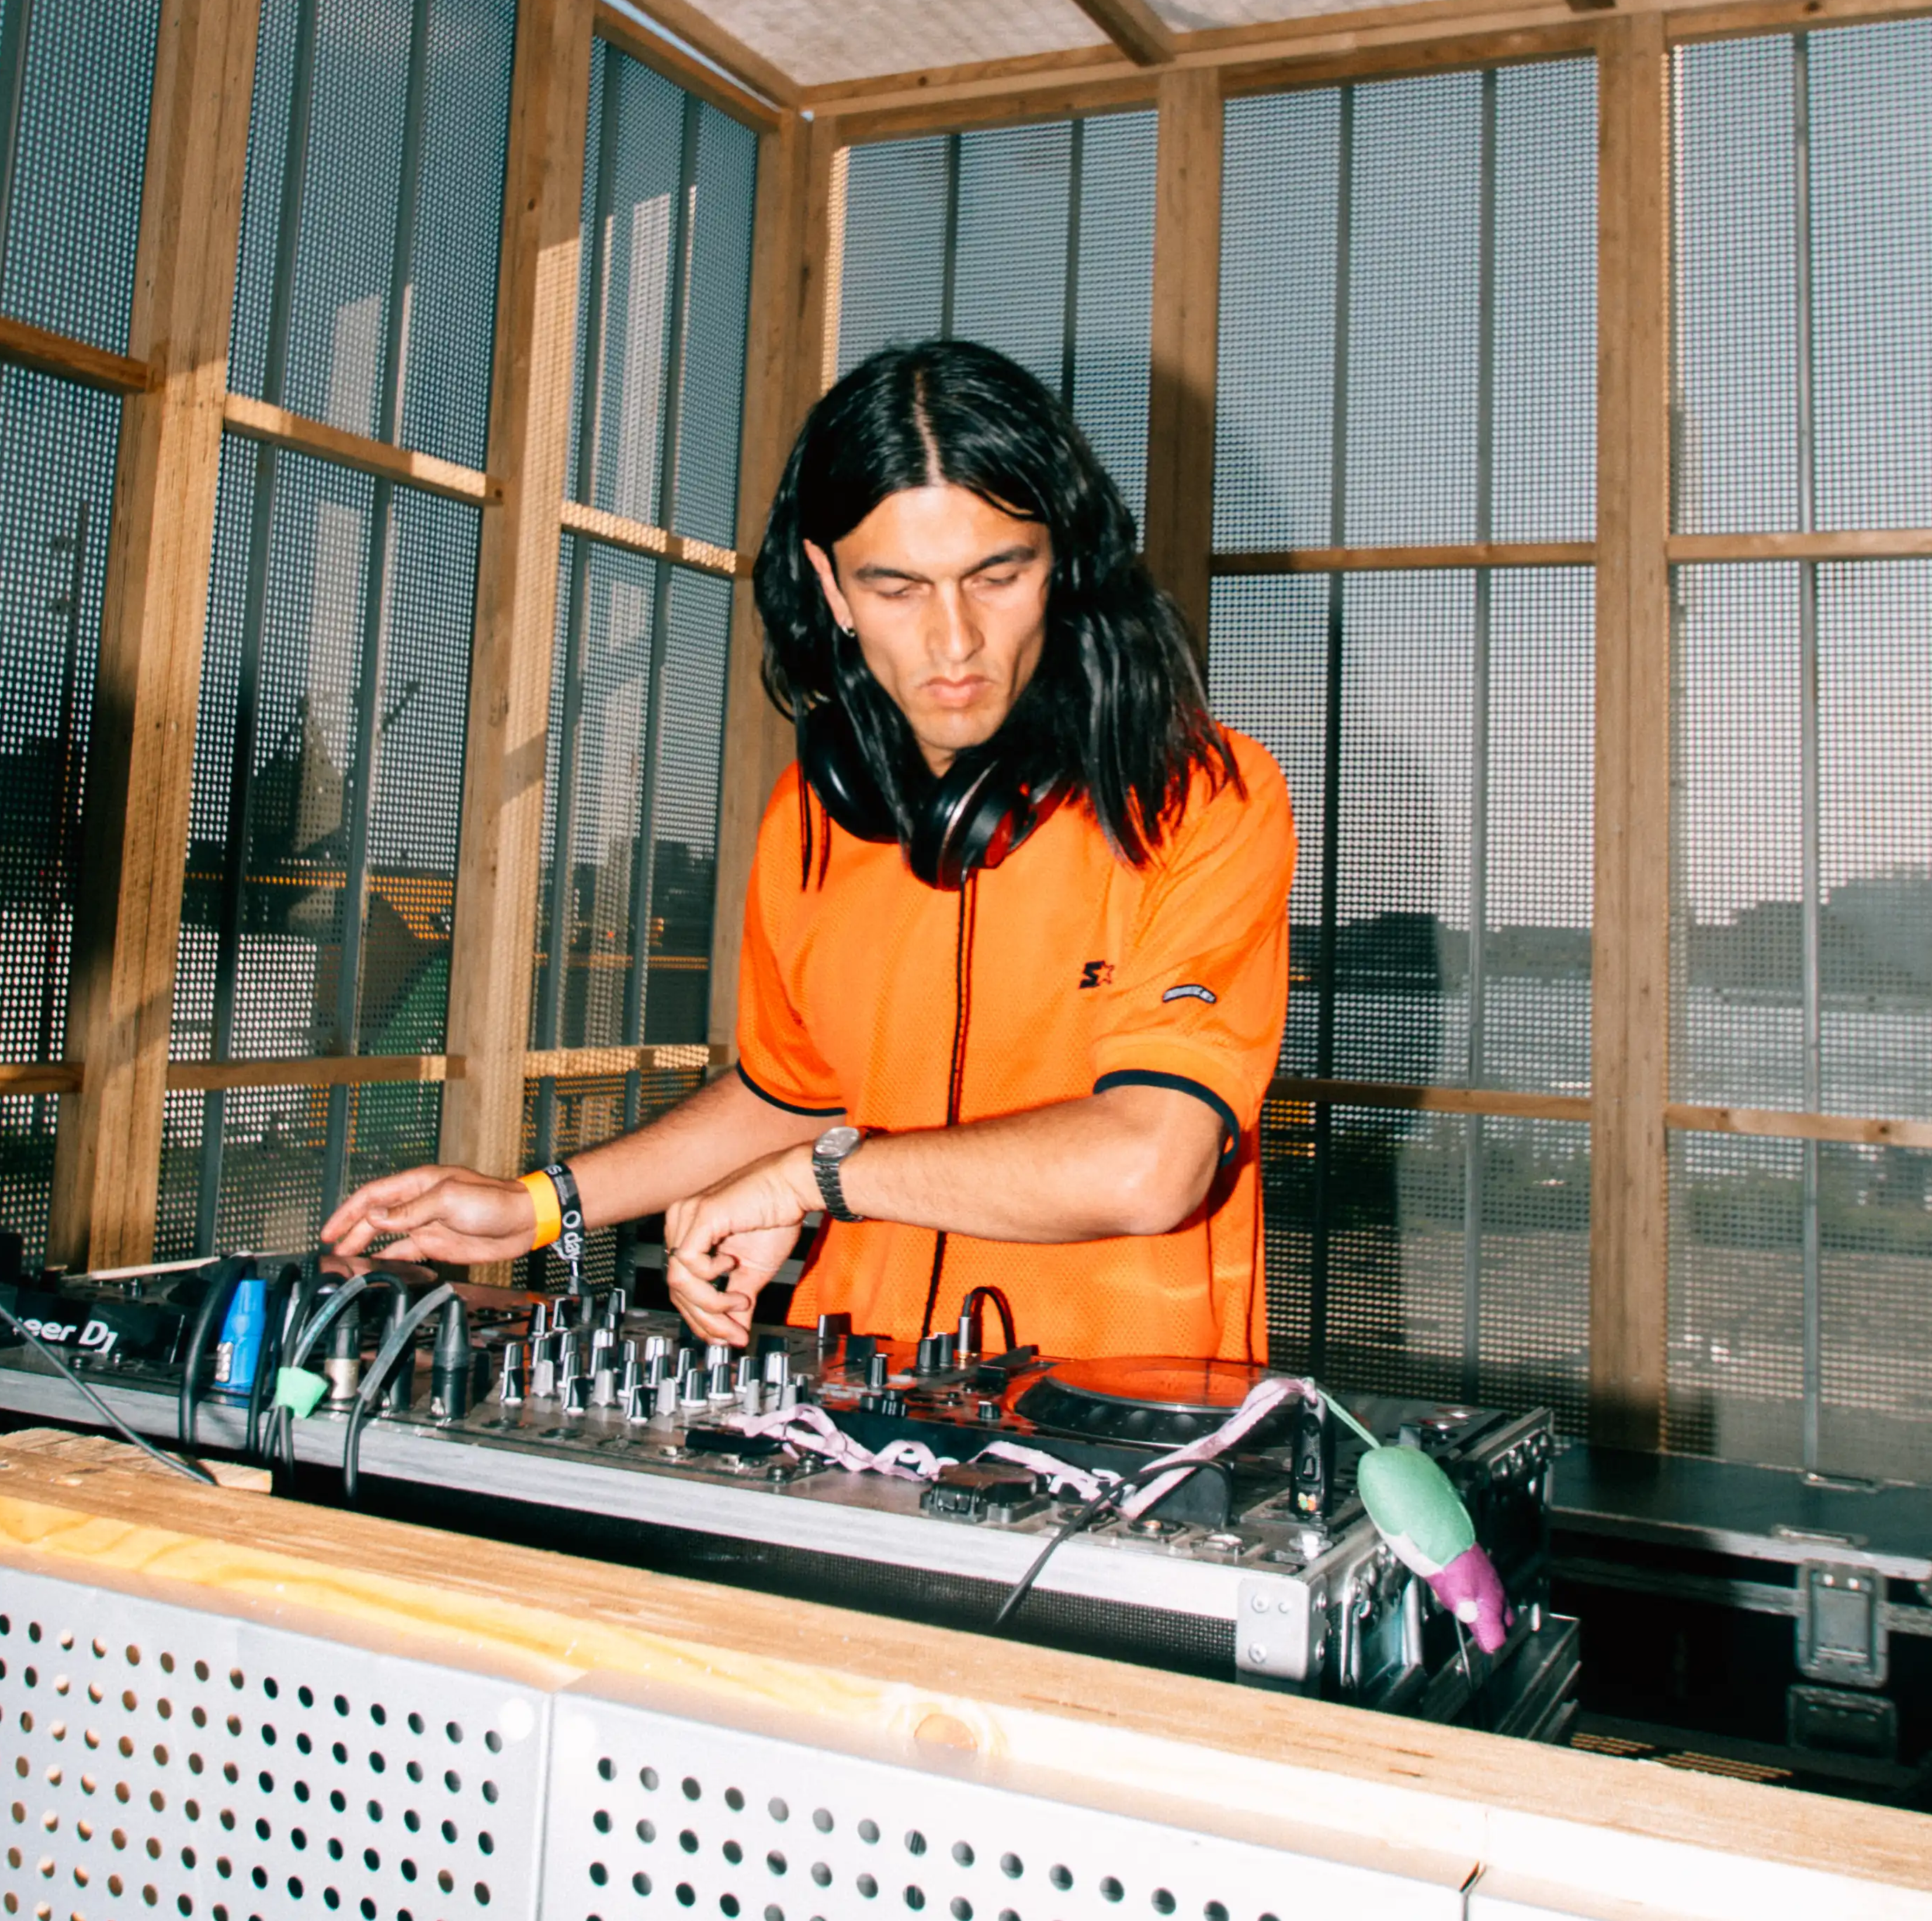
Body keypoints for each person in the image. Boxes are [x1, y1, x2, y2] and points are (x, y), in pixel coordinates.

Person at [320, 337, 1297, 1366]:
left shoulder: (1202, 798)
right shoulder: (814, 815)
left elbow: (1150, 1163)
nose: (953, 642)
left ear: (1063, 563)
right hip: (852, 1404)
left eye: (996, 575)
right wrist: (542, 1207)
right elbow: (787, 1094)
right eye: (898, 588)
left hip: (1126, 1424)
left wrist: (816, 1177)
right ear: (832, 588)